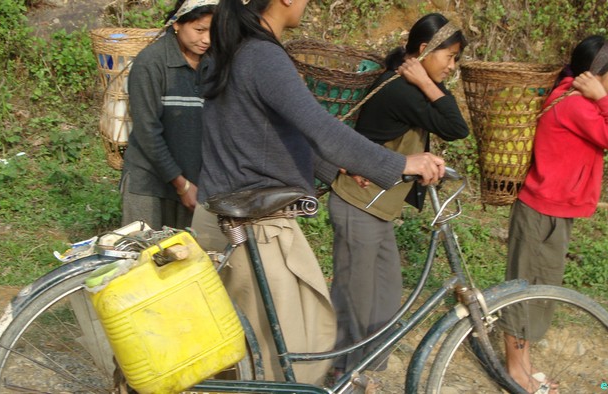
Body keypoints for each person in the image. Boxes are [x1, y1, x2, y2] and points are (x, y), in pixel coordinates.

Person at [191, 0, 446, 385]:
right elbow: (321, 128)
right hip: (255, 227)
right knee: (298, 355)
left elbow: (265, 132)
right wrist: (401, 164)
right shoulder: (262, 55)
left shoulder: (231, 49)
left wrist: (339, 167)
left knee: (240, 353)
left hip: (217, 214)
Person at [327, 13, 469, 376]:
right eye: (449, 57)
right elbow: (456, 126)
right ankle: (341, 375)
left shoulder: (410, 88)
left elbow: (445, 111)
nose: (452, 67)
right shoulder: (401, 90)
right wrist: (424, 80)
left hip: (377, 209)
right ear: (423, 51)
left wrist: (426, 80)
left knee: (386, 299)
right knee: (355, 302)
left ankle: (364, 375)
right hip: (357, 205)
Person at [502, 35, 608, 393]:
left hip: (551, 210)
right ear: (595, 74)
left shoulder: (582, 102)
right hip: (540, 210)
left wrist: (604, 98)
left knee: (539, 289)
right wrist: (604, 98)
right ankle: (515, 371)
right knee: (524, 289)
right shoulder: (575, 105)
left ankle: (524, 365)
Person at [120, 0, 217, 230]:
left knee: (187, 258)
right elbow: (147, 131)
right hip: (149, 183)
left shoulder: (216, 64)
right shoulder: (151, 63)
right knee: (142, 256)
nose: (207, 40)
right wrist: (180, 184)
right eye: (200, 30)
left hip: (195, 183)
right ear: (176, 24)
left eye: (214, 31)